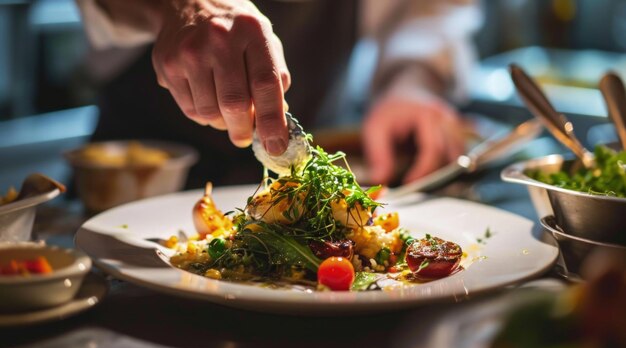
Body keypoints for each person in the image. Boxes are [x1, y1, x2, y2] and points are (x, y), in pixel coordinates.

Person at [76, 0, 481, 187]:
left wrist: (411, 83)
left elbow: (427, 11)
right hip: (137, 174)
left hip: (313, 166)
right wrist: (179, 5)